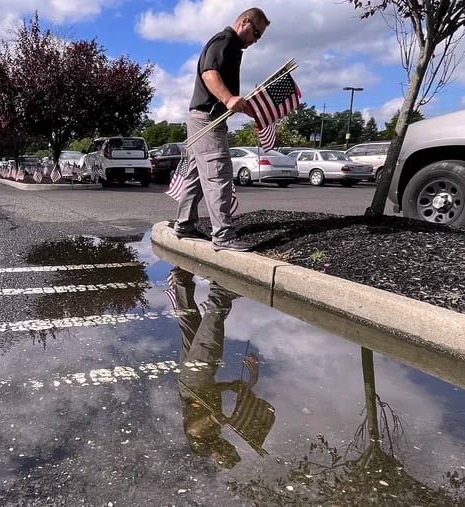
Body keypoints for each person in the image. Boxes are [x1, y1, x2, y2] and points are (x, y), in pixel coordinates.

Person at [174, 7, 270, 252]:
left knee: (197, 175)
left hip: (203, 118)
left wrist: (252, 110)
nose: (256, 41)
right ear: (245, 22)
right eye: (256, 33)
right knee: (219, 173)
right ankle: (224, 236)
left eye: (259, 37)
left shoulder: (233, 47)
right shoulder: (225, 40)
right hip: (208, 119)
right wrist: (228, 99)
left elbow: (224, 89)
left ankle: (184, 224)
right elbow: (210, 74)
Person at [167, 267, 275, 468]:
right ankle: (181, 283)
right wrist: (229, 386)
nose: (229, 446)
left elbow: (194, 430)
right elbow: (209, 397)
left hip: (194, 385)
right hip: (190, 384)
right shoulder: (214, 439)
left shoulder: (204, 447)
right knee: (192, 328)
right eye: (232, 448)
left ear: (220, 456)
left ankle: (220, 294)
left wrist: (214, 420)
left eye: (229, 450)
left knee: (208, 345)